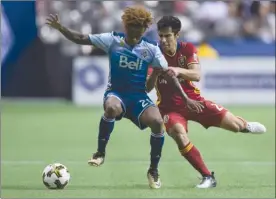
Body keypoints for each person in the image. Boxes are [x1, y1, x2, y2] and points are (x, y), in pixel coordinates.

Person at [46, 7, 203, 189]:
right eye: (132, 26)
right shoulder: (112, 40)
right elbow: (81, 38)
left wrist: (183, 96)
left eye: (139, 27)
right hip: (116, 93)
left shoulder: (151, 49)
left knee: (158, 122)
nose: (135, 31)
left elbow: (155, 83)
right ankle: (100, 153)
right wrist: (61, 28)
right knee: (111, 108)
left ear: (144, 29)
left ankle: (153, 171)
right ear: (126, 26)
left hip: (138, 97)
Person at [147, 16, 266, 189]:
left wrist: (177, 70)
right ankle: (207, 177)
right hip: (169, 109)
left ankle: (244, 125)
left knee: (235, 126)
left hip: (195, 102)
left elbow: (196, 74)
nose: (163, 40)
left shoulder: (187, 48)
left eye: (167, 36)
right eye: (161, 36)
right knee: (178, 134)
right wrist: (156, 74)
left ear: (177, 35)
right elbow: (147, 87)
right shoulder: (153, 53)